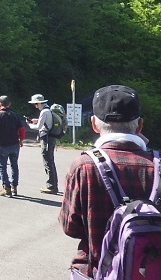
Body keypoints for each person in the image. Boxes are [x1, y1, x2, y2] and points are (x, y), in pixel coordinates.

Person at [59, 85, 153, 278]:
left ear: (94, 124)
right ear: (140, 125)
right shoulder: (157, 166)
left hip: (96, 269)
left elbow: (70, 227)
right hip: (148, 271)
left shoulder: (83, 166)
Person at [0, 95, 25, 197]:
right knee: (14, 166)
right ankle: (14, 187)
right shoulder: (15, 115)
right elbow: (22, 129)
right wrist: (21, 140)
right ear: (9, 104)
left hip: (3, 145)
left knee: (2, 167)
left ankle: (6, 188)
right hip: (15, 144)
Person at [27, 94, 58, 194]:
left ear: (40, 103)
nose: (35, 106)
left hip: (47, 139)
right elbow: (43, 123)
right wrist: (36, 121)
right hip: (51, 138)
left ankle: (51, 186)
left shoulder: (44, 112)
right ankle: (54, 185)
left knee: (47, 162)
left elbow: (39, 127)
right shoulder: (47, 110)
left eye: (36, 104)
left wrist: (30, 125)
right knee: (51, 161)